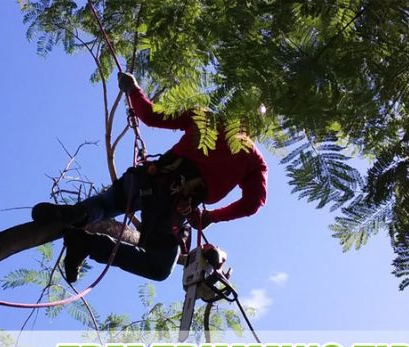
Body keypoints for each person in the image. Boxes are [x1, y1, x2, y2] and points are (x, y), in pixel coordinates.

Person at [32, 72, 267, 283]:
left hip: (145, 180)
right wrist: (210, 217)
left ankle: (72, 215)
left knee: (106, 204)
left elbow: (150, 115)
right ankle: (89, 244)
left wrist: (133, 88)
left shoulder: (205, 118)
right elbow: (253, 204)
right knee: (158, 267)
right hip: (169, 210)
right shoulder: (254, 160)